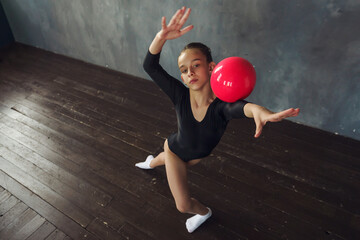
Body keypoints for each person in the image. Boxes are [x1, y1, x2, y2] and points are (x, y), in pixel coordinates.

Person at [135, 7, 300, 233]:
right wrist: (160, 37)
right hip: (175, 148)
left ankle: (150, 160)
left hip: (194, 157)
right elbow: (149, 66)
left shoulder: (221, 106)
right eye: (184, 70)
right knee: (183, 204)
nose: (189, 72)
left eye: (196, 65)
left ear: (211, 67)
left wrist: (261, 111)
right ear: (181, 77)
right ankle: (204, 212)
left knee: (160, 161)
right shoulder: (179, 94)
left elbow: (242, 107)